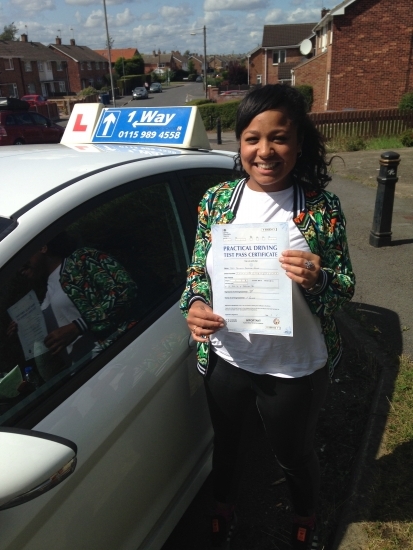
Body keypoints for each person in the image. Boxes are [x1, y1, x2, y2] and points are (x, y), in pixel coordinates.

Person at [180, 84, 355, 549]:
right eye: (252, 138)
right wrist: (195, 305)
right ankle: (224, 508)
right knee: (227, 445)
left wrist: (318, 278)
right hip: (228, 358)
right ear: (239, 144)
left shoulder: (321, 210)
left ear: (299, 144)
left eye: (278, 137)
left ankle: (305, 516)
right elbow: (198, 269)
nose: (265, 150)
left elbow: (344, 289)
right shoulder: (217, 201)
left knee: (294, 455)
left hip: (292, 366)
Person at [8, 233, 138, 380]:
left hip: (121, 364)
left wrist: (77, 327)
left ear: (43, 247)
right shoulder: (45, 297)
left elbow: (125, 290)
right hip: (88, 380)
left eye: (22, 257)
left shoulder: (81, 260)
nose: (19, 268)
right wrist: (24, 331)